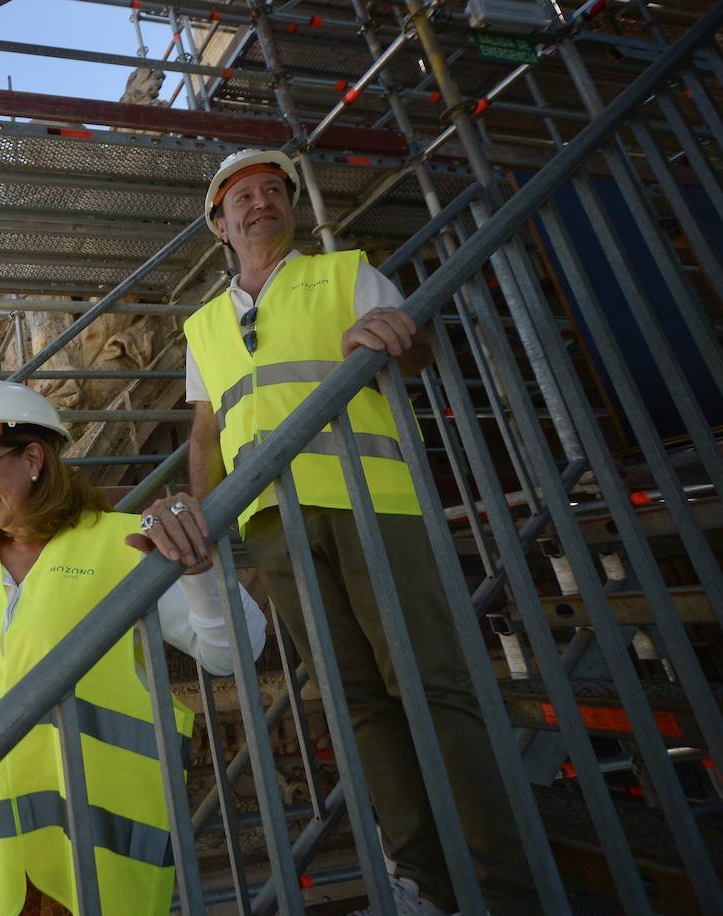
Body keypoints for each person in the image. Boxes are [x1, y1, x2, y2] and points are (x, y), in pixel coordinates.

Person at [182, 149, 536, 916]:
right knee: (356, 702)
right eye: (242, 196)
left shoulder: (348, 273)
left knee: (431, 683)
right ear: (219, 224)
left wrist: (399, 335)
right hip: (274, 525)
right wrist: (204, 518)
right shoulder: (203, 324)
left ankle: (504, 886)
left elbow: (419, 352)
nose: (261, 203)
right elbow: (206, 430)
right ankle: (425, 882)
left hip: (374, 505)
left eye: (273, 190)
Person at [0, 381, 267, 916]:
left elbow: (233, 653)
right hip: (4, 862)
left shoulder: (123, 542)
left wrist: (198, 571)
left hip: (102, 850)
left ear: (33, 458)